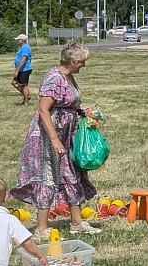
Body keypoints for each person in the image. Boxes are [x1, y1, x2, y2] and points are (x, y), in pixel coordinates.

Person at [10, 41, 101, 237]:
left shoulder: (68, 77)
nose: (83, 65)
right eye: (81, 62)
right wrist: (54, 140)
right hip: (49, 134)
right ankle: (41, 228)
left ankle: (77, 222)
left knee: (71, 173)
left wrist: (83, 112)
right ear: (71, 60)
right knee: (48, 175)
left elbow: (69, 104)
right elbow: (43, 109)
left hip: (67, 132)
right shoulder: (54, 77)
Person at [12, 34, 33, 105]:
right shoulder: (22, 47)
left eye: (18, 40)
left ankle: (26, 102)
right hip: (21, 69)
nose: (17, 41)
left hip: (25, 69)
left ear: (22, 40)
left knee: (24, 85)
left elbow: (23, 60)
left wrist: (17, 70)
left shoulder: (25, 48)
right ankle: (26, 95)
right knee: (14, 82)